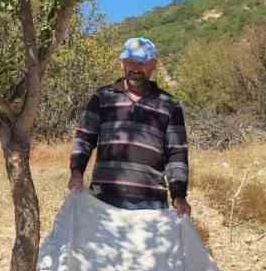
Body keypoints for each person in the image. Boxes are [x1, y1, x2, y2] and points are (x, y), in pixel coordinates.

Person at [68, 36, 191, 214]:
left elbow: (177, 153)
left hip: (151, 203)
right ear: (122, 63)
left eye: (143, 62)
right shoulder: (102, 97)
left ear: (154, 64)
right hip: (103, 198)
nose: (135, 68)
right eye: (130, 61)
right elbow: (85, 138)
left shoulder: (170, 105)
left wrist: (179, 195)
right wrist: (76, 171)